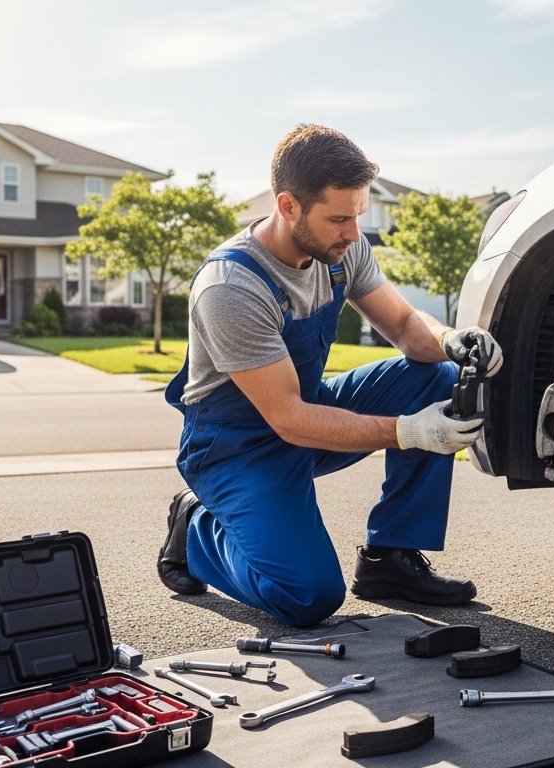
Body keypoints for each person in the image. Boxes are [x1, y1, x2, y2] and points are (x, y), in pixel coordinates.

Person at [157, 124, 504, 627]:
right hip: (238, 449)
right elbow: (288, 419)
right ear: (288, 206)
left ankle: (390, 559)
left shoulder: (342, 251)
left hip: (306, 411)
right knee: (307, 596)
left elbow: (407, 326)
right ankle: (195, 533)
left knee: (436, 373)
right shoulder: (230, 286)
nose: (352, 233)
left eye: (357, 215)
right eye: (338, 218)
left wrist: (451, 337)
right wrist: (412, 431)